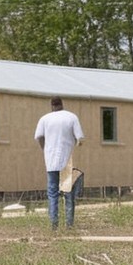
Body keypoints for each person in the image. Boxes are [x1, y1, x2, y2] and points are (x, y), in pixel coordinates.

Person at [34, 96, 84, 230]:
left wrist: (45, 149)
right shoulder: (71, 117)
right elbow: (80, 138)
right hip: (66, 160)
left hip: (50, 161)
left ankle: (54, 224)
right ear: (62, 104)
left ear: (51, 105)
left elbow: (39, 137)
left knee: (52, 193)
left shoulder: (44, 119)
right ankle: (69, 224)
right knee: (68, 192)